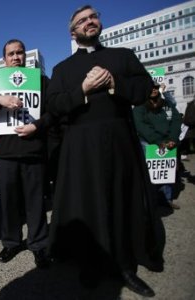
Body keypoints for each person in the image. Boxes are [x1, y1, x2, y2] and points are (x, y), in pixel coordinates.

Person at [46, 5, 164, 297]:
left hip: (119, 141)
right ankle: (91, 264)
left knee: (123, 201)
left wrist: (114, 83)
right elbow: (54, 107)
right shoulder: (62, 69)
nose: (90, 22)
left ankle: (125, 266)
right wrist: (82, 90)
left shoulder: (122, 56)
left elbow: (143, 90)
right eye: (82, 21)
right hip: (80, 148)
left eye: (93, 17)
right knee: (86, 205)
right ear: (73, 32)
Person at [0, 39, 54, 268]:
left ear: (25, 56)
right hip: (6, 154)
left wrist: (37, 126)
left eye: (20, 53)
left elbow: (54, 112)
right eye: (11, 54)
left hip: (33, 151)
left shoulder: (40, 81)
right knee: (8, 203)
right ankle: (11, 242)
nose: (16, 57)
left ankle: (39, 245)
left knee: (36, 202)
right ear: (4, 59)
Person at [133, 83, 182, 210]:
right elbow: (141, 126)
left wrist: (172, 139)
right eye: (150, 87)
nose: (153, 90)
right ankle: (151, 199)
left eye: (155, 87)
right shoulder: (139, 107)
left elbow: (176, 120)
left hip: (168, 142)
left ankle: (166, 198)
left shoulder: (167, 105)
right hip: (148, 143)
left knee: (166, 172)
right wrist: (159, 141)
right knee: (151, 173)